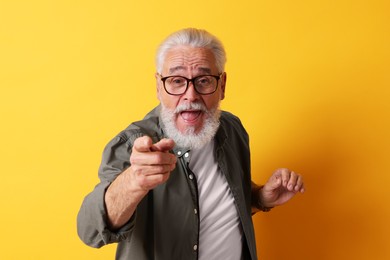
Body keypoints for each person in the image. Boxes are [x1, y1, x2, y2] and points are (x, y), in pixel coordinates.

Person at [77, 28, 305, 260]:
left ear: (222, 85)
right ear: (158, 86)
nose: (191, 95)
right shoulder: (132, 144)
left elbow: (225, 203)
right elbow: (90, 231)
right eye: (177, 81)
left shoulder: (232, 130)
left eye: (204, 81)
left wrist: (260, 198)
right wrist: (133, 181)